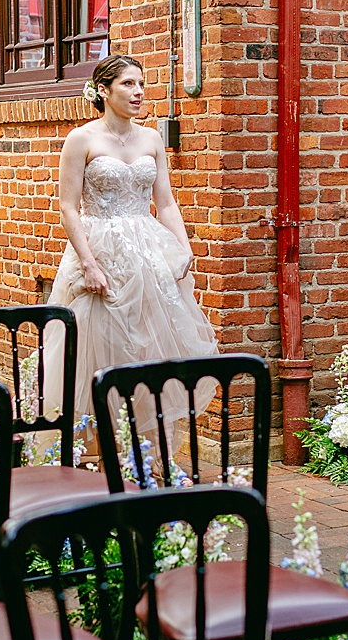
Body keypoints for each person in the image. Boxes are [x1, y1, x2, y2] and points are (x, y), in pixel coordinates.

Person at [42, 51, 218, 437]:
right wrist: (88, 263)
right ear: (103, 90)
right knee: (99, 346)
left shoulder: (152, 138)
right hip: (100, 252)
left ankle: (151, 457)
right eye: (128, 84)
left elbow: (166, 202)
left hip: (146, 252)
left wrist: (184, 247)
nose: (138, 92)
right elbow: (69, 209)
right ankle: (98, 456)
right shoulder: (81, 139)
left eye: (141, 83)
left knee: (150, 347)